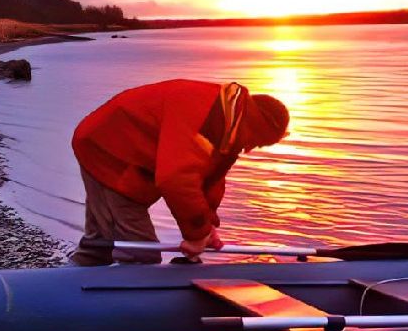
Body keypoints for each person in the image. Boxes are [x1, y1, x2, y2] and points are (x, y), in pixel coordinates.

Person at [69, 80, 290, 265]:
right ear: (257, 126)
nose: (251, 148)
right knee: (141, 254)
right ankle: (98, 307)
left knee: (101, 242)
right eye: (259, 142)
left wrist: (207, 226)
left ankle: (59, 288)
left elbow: (208, 180)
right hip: (109, 152)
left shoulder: (228, 120)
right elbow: (176, 179)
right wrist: (196, 235)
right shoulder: (206, 117)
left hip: (122, 150)